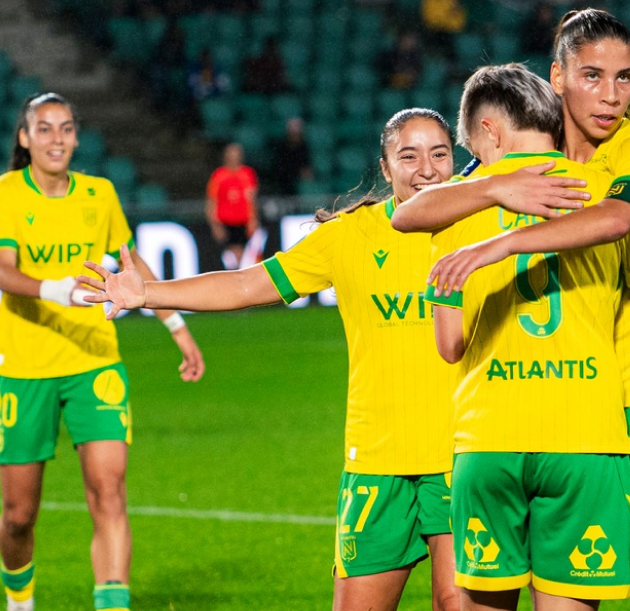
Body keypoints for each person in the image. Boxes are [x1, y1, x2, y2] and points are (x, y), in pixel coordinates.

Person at [80, 109, 466, 611]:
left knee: (456, 601)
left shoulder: (482, 231)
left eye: (439, 154)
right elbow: (245, 284)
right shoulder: (348, 236)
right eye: (408, 156)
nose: (427, 168)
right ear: (385, 167)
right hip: (376, 462)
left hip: (461, 459)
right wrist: (147, 292)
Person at [394, 11, 630, 611]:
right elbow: (409, 212)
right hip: (555, 411)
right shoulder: (516, 162)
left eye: (626, 79)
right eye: (594, 76)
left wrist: (503, 241)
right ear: (558, 75)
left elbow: (617, 219)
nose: (613, 96)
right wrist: (492, 188)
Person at [0, 92, 206, 611]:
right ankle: (20, 601)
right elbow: (3, 271)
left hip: (95, 360)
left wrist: (175, 325)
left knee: (109, 492)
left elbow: (131, 264)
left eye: (65, 129)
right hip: (24, 366)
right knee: (19, 515)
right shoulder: (3, 194)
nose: (56, 139)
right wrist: (57, 289)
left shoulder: (99, 194)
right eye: (44, 129)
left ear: (77, 137)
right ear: (25, 138)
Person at [205, 142, 263, 271]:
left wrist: (253, 219)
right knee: (229, 255)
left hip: (243, 221)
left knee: (246, 254)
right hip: (226, 222)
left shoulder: (247, 174)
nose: (234, 158)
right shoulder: (218, 176)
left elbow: (251, 200)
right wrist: (215, 225)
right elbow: (212, 202)